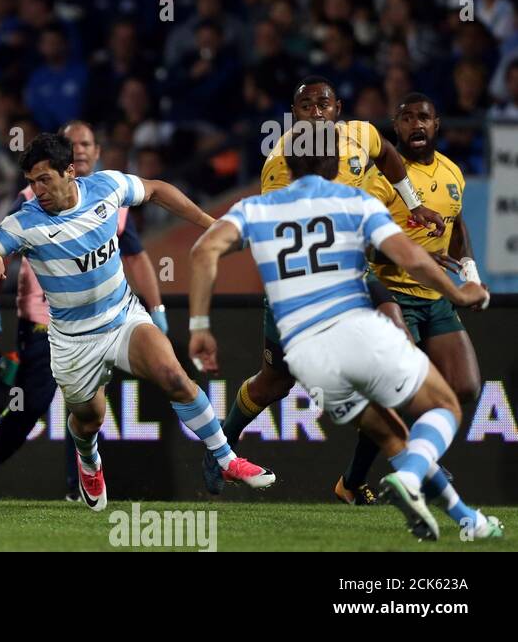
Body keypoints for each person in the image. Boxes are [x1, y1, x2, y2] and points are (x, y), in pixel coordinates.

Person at [188, 122, 502, 540]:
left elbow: (203, 250)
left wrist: (200, 326)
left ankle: (468, 520)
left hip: (306, 356)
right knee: (444, 405)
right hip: (355, 330)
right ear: (335, 163)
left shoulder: (254, 208)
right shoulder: (354, 200)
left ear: (288, 163)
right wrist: (459, 292)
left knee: (393, 436)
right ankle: (408, 479)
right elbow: (410, 256)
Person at [0, 133, 276, 512]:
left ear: (69, 172)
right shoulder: (25, 222)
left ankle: (226, 459)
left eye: (44, 179)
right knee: (89, 419)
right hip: (73, 342)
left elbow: (155, 189)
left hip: (123, 317)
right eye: (31, 181)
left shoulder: (107, 186)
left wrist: (209, 222)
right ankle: (88, 459)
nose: (36, 189)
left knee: (174, 376)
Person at [213, 75, 448, 505]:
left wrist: (412, 202)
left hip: (352, 280)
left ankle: (392, 470)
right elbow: (272, 236)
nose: (316, 112)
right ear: (295, 115)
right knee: (273, 383)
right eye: (306, 107)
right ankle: (221, 448)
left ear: (338, 109)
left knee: (388, 355)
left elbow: (389, 156)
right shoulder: (281, 161)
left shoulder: (362, 135)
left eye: (323, 104)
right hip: (297, 289)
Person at [0, 120, 167, 500]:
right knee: (33, 403)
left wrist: (155, 306)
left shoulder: (110, 194)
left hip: (103, 320)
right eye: (72, 143)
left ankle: (75, 487)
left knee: (87, 404)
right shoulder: (33, 198)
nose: (79, 149)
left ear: (93, 152)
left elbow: (137, 256)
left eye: (86, 143)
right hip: (44, 319)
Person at [364, 93, 482, 415]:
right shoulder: (381, 180)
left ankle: (417, 457)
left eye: (423, 118)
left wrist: (470, 274)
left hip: (435, 294)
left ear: (436, 124)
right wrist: (419, 257)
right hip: (394, 294)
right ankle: (401, 464)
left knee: (465, 386)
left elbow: (456, 224)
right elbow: (364, 247)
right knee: (404, 391)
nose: (416, 124)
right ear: (396, 127)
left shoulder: (452, 172)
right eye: (407, 118)